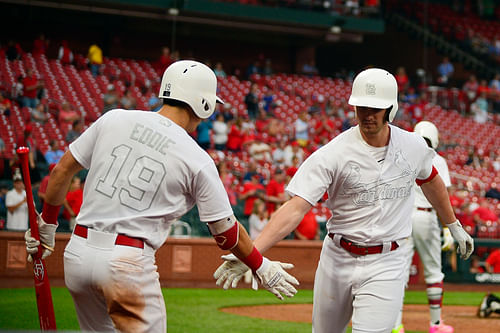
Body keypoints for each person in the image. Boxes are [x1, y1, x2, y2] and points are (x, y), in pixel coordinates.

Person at [24, 60, 298, 332]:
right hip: (127, 262)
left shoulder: (114, 117)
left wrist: (47, 225)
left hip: (78, 254)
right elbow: (225, 233)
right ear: (204, 103)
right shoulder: (197, 158)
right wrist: (261, 266)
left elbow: (61, 171)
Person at [214, 68, 474, 333]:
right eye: (361, 106)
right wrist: (253, 253)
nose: (367, 114)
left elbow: (430, 178)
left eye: (375, 108)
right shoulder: (333, 153)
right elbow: (295, 207)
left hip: (388, 260)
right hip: (338, 257)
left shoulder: (413, 146)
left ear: (390, 109)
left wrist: (452, 223)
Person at [392, 121, 455, 333]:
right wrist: (448, 228)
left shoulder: (405, 156)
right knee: (434, 272)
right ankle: (436, 325)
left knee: (399, 273)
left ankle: (395, 325)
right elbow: (441, 197)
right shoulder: (438, 160)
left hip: (405, 217)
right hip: (426, 217)